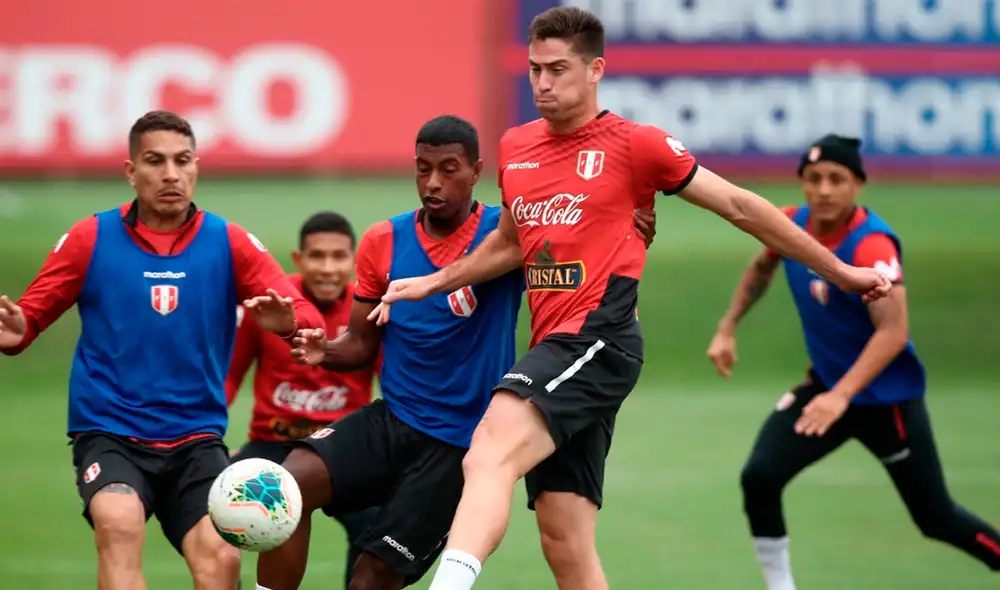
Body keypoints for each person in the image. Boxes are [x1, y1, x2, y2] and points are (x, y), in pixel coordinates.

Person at [372, 8, 893, 590]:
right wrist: (436, 280)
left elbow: (742, 207)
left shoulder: (636, 146)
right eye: (534, 70)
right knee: (563, 537)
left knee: (488, 448)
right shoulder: (517, 147)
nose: (542, 83)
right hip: (560, 352)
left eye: (558, 70)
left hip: (600, 338)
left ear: (595, 70)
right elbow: (511, 244)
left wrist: (842, 271)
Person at [253, 115, 658, 590]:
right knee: (287, 486)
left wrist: (627, 229)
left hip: (458, 448)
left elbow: (579, 249)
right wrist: (317, 346)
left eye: (448, 169)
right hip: (392, 422)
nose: (433, 182)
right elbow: (359, 347)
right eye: (423, 169)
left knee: (369, 581)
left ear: (477, 170)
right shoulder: (383, 240)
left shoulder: (505, 235)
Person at [0, 110, 324, 590]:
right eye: (155, 161)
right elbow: (27, 320)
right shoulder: (91, 237)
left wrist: (291, 323)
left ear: (196, 167)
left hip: (195, 438)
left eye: (182, 160)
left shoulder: (227, 241)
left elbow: (307, 318)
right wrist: (16, 328)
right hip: (110, 431)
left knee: (221, 558)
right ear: (131, 171)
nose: (171, 174)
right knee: (119, 521)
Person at [705, 134, 1000, 590]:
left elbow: (893, 331)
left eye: (837, 179)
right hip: (827, 388)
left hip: (886, 402)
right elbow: (762, 265)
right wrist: (727, 327)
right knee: (760, 477)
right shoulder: (789, 226)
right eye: (813, 178)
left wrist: (841, 396)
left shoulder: (871, 246)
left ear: (857, 185)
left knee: (936, 517)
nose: (824, 189)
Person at [226, 211, 381, 589]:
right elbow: (228, 378)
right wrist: (208, 443)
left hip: (344, 448)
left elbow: (391, 385)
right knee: (211, 512)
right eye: (317, 256)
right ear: (298, 259)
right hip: (270, 446)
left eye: (338, 256)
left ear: (354, 259)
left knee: (380, 524)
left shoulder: (370, 310)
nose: (328, 268)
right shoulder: (267, 307)